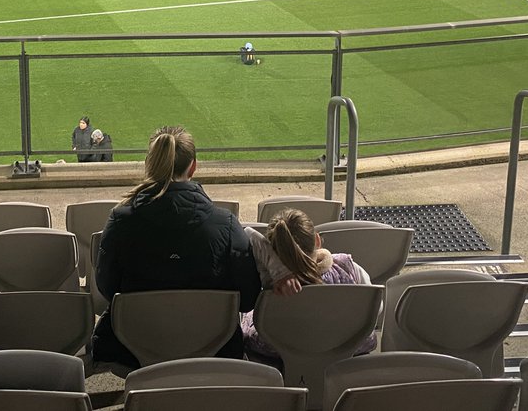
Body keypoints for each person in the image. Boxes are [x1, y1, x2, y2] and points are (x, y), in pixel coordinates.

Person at [92, 126, 261, 368]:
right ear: (193, 167)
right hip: (215, 345)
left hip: (133, 344)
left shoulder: (120, 221)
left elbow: (107, 287)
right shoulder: (227, 225)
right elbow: (248, 298)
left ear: (150, 165)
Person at [241, 209, 375, 362]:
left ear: (271, 251)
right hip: (345, 360)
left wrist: (277, 270)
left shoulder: (272, 285)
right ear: (317, 240)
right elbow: (376, 308)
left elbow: (247, 234)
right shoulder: (348, 267)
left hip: (282, 365)